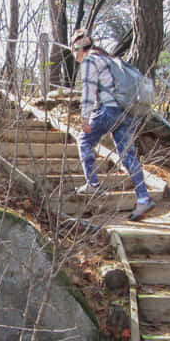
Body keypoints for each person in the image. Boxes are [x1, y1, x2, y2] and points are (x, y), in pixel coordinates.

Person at [71, 29, 156, 221]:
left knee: (84, 141)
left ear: (78, 49)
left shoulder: (90, 61)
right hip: (127, 112)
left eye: (73, 52)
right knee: (127, 155)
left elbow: (88, 91)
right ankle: (143, 199)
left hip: (108, 110)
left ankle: (92, 184)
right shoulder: (109, 59)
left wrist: (85, 117)